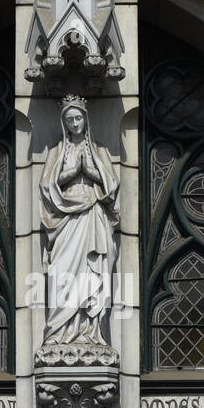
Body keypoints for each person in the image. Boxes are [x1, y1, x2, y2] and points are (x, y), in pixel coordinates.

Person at [38, 98, 119, 352]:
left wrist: (90, 171)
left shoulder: (99, 150)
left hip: (93, 214)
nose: (74, 123)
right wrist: (73, 172)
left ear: (86, 119)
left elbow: (112, 184)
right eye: (69, 120)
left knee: (92, 272)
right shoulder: (57, 151)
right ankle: (60, 333)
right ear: (64, 123)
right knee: (63, 271)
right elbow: (47, 185)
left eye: (78, 118)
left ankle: (90, 332)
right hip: (66, 218)